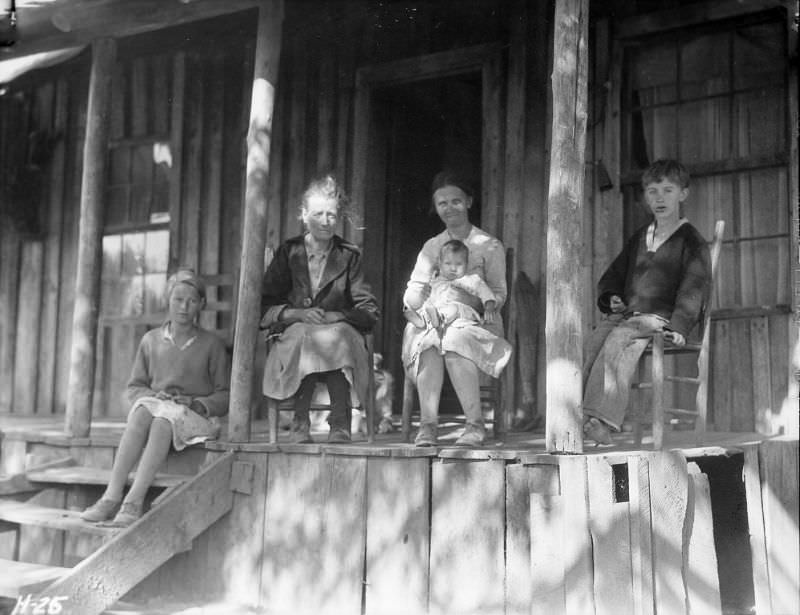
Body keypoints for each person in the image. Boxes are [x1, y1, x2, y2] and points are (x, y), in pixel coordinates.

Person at [82, 269, 230, 527]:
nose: (184, 307)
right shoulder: (150, 340)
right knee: (143, 412)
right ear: (167, 300)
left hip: (195, 417)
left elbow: (225, 395)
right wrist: (154, 395)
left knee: (162, 421)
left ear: (201, 304)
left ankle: (133, 502)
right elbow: (134, 388)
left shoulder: (211, 345)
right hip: (160, 407)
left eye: (192, 301)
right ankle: (111, 496)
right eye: (178, 299)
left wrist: (196, 403)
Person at [582, 159, 711, 446]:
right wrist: (613, 297)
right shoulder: (641, 236)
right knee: (593, 342)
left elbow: (694, 287)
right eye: (653, 191)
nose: (659, 198)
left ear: (683, 194)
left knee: (619, 341)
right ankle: (582, 416)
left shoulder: (691, 241)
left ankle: (601, 421)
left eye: (667, 190)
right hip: (628, 315)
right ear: (646, 197)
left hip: (660, 318)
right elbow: (615, 274)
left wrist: (680, 325)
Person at [260, 174, 379, 444]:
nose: (326, 221)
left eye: (331, 215)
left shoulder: (349, 256)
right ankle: (304, 423)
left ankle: (337, 424)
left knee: (335, 336)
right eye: (318, 214)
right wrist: (296, 314)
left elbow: (368, 309)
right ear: (304, 215)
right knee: (306, 335)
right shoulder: (289, 253)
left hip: (338, 335)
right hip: (295, 333)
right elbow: (264, 305)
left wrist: (338, 315)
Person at [403, 171, 512, 447]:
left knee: (455, 339)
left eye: (456, 201)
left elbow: (498, 293)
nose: (449, 208)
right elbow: (414, 289)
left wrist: (467, 306)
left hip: (477, 322)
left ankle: (475, 425)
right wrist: (417, 298)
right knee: (429, 340)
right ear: (435, 207)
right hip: (435, 320)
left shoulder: (489, 246)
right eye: (442, 203)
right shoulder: (432, 247)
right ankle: (428, 425)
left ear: (469, 202)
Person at [405, 239, 498, 346]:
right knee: (428, 306)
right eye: (448, 263)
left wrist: (489, 307)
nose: (453, 268)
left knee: (452, 309)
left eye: (459, 264)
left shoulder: (471, 280)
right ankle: (422, 321)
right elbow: (429, 298)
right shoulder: (436, 281)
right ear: (440, 264)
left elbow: (486, 293)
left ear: (466, 265)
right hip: (437, 310)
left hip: (461, 311)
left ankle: (440, 319)